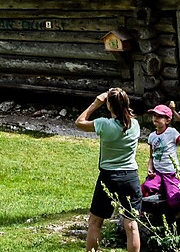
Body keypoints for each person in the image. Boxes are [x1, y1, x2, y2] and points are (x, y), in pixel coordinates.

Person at [75, 87, 143, 252]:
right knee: (132, 225)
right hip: (130, 177)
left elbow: (79, 123)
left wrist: (95, 103)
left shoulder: (104, 125)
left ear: (109, 105)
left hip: (109, 177)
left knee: (95, 223)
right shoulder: (135, 124)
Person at [143, 103, 180, 214]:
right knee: (147, 187)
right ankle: (162, 190)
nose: (155, 118)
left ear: (168, 120)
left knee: (174, 200)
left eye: (159, 116)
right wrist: (150, 169)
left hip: (171, 173)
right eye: (154, 115)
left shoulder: (172, 132)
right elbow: (151, 156)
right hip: (157, 173)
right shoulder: (152, 136)